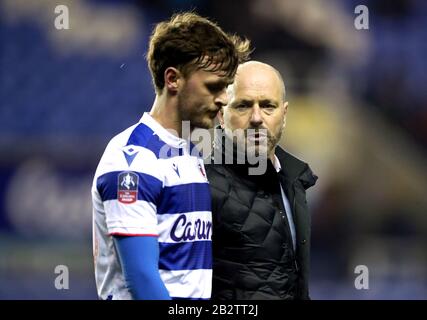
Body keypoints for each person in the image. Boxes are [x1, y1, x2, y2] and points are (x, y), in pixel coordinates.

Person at [91, 12, 250, 300]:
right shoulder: (133, 160)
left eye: (226, 88)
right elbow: (141, 280)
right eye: (214, 86)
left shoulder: (189, 153)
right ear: (173, 79)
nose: (224, 99)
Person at [206, 61, 317, 300]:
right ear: (221, 115)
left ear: (284, 114)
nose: (256, 117)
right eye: (243, 106)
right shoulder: (200, 181)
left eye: (268, 106)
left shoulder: (294, 182)